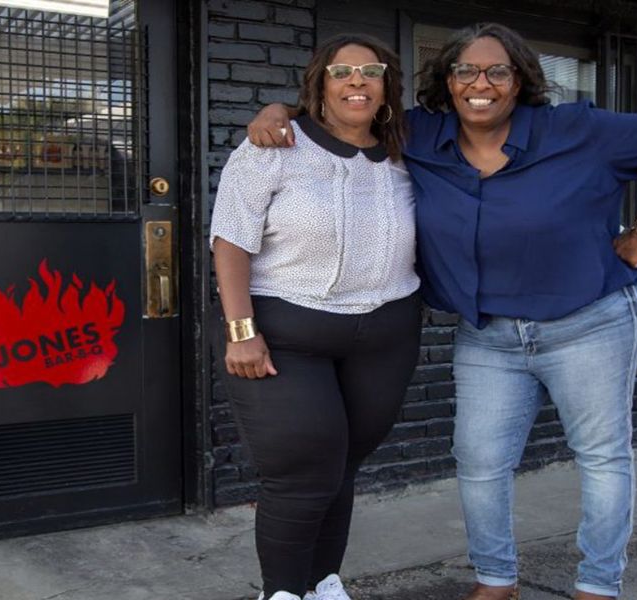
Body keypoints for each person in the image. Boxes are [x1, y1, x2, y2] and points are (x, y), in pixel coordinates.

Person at [246, 22, 637, 600]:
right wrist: (277, 111)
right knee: (479, 460)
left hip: (590, 319)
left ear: (520, 81)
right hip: (488, 331)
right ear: (446, 82)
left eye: (498, 70)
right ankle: (496, 580)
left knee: (601, 457)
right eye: (465, 70)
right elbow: (344, 108)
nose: (481, 83)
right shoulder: (418, 135)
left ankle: (598, 584)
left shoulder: (577, 129)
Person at [210, 34, 422, 600]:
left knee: (342, 465)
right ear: (319, 83)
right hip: (284, 333)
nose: (356, 81)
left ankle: (322, 583)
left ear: (386, 87)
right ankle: (281, 593)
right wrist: (240, 332)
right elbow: (230, 241)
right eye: (341, 71)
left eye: (370, 71)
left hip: (385, 335)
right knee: (303, 471)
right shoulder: (274, 144)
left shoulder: (409, 149)